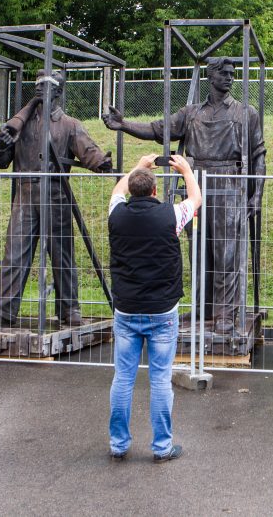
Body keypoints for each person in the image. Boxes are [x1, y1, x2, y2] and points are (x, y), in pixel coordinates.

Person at [103, 57, 265, 334]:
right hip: (195, 183)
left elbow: (259, 155)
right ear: (210, 77)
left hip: (230, 186)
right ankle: (204, 306)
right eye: (223, 73)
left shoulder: (245, 112)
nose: (229, 78)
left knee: (227, 253)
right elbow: (158, 129)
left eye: (232, 74)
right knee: (198, 251)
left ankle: (226, 312)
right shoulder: (190, 113)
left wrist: (256, 195)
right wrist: (124, 124)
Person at [0, 70, 112, 329]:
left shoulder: (69, 124)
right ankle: (2, 312)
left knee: (62, 254)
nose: (40, 87)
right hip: (25, 194)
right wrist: (1, 142)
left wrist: (101, 162)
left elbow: (89, 152)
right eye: (38, 83)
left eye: (47, 83)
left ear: (59, 90)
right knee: (15, 255)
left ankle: (69, 309)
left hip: (56, 193)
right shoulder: (20, 123)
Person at [107, 153, 202, 462]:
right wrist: (186, 169)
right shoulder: (171, 216)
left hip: (127, 309)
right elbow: (195, 198)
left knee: (123, 378)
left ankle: (118, 444)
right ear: (154, 191)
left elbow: (116, 193)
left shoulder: (116, 214)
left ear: (134, 190)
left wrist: (138, 165)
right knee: (160, 379)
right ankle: (162, 447)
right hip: (162, 310)